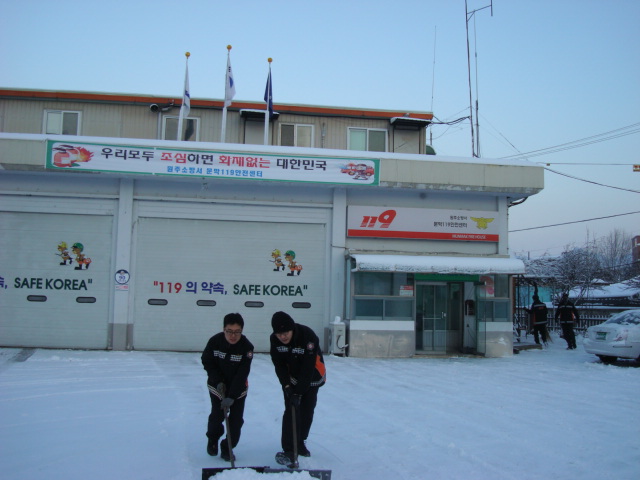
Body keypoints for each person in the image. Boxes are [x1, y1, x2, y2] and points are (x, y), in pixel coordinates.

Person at [270, 311, 326, 464]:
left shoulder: (308, 336)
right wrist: (287, 386)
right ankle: (288, 450)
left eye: (286, 333)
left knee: (306, 411)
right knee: (291, 410)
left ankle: (300, 442)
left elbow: (308, 367)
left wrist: (299, 393)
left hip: (313, 376)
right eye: (279, 334)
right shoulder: (275, 340)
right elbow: (279, 365)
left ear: (292, 329)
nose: (283, 337)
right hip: (292, 376)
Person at [201, 313, 254, 461]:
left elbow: (243, 373)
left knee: (236, 422)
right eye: (229, 331)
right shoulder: (215, 342)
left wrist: (232, 396)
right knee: (216, 416)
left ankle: (227, 447)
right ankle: (213, 439)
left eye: (237, 332)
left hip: (238, 389)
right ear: (224, 329)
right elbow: (207, 362)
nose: (233, 336)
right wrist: (218, 381)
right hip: (217, 386)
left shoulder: (247, 347)